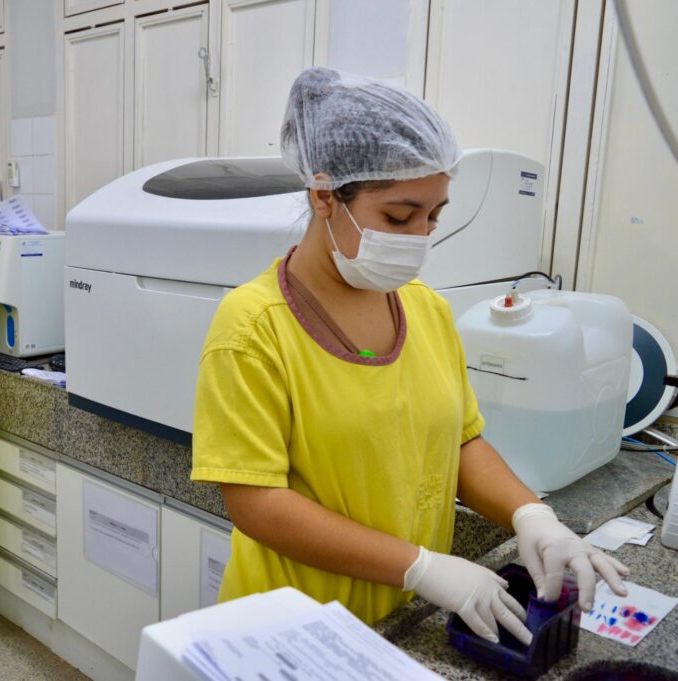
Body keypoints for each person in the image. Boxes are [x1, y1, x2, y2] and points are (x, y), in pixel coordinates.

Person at [190, 68, 630, 646]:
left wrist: (531, 516)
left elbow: (461, 443)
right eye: (399, 217)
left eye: (434, 215)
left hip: (395, 621)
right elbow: (257, 503)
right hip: (291, 628)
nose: (420, 235)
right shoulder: (253, 328)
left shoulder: (425, 309)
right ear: (324, 196)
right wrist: (420, 568)